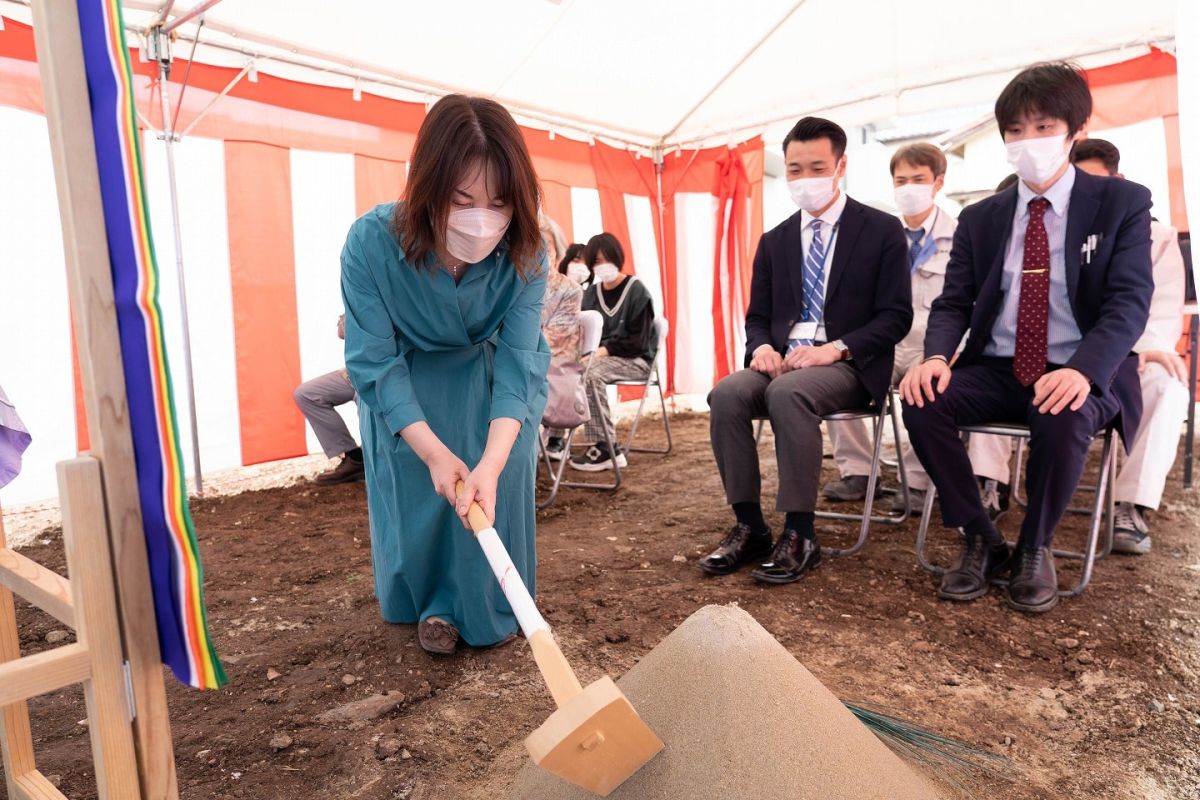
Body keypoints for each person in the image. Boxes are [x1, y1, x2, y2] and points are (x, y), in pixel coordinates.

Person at [900, 63, 1153, 613]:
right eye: (1015, 131)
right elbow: (954, 302)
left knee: (1063, 412)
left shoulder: (1121, 203)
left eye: (1042, 128)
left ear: (1074, 131)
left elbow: (1127, 303)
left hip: (1082, 364)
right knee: (922, 401)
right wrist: (937, 356)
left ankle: (1035, 547)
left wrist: (1085, 370)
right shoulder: (982, 218)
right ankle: (981, 537)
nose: (1027, 142)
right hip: (998, 365)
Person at [341, 94, 550, 655]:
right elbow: (375, 362)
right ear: (427, 186)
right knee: (416, 484)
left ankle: (486, 606)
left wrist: (496, 455)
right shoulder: (370, 242)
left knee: (492, 484)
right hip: (408, 383)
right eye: (462, 200)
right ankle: (429, 603)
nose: (482, 219)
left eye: (500, 203)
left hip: (494, 389)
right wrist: (433, 451)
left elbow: (519, 362)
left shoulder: (529, 249)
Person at [698, 116, 912, 584]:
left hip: (848, 365)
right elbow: (757, 316)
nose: (804, 179)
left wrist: (835, 349)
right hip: (785, 361)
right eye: (794, 169)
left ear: (841, 166)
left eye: (816, 167)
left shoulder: (880, 230)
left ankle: (800, 532)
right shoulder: (774, 241)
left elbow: (897, 316)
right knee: (728, 394)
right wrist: (760, 348)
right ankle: (750, 526)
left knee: (789, 394)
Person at [823, 143, 1010, 515]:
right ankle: (859, 470)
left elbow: (973, 304)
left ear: (938, 182)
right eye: (901, 180)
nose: (908, 187)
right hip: (883, 345)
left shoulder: (962, 236)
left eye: (918, 179)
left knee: (926, 390)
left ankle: (919, 479)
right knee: (835, 375)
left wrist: (953, 351)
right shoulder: (877, 235)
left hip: (935, 348)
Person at [1070, 137, 1188, 554]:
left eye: (1096, 182)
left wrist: (1133, 351)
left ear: (1118, 180)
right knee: (991, 362)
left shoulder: (1157, 236)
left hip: (1133, 349)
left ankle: (1130, 505)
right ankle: (988, 481)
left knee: (1169, 384)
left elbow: (1162, 306)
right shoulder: (1053, 226)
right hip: (1064, 352)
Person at [567, 233, 658, 472]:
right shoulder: (591, 294)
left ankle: (606, 447)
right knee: (569, 369)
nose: (602, 265)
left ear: (617, 258)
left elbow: (639, 342)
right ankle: (554, 440)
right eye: (596, 262)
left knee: (590, 373)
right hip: (598, 359)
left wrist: (604, 351)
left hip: (636, 360)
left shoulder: (636, 291)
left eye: (606, 259)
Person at [293, 314, 365, 485]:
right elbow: (343, 331)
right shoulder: (355, 289)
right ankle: (355, 459)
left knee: (365, 399)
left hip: (385, 370)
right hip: (358, 370)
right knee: (307, 394)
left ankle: (381, 462)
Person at [542, 243, 586, 460]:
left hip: (553, 367)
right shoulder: (509, 285)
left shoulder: (569, 290)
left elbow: (551, 342)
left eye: (546, 246)